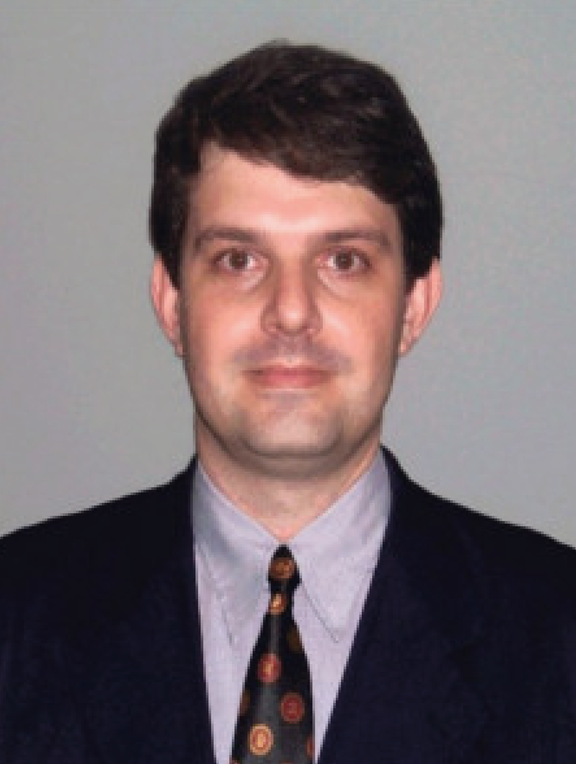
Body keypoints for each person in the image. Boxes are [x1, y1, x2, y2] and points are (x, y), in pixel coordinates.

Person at [1, 40, 575, 764]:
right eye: (240, 259)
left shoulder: (558, 637)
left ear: (415, 305)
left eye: (344, 261)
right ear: (172, 302)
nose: (292, 311)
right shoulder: (16, 619)